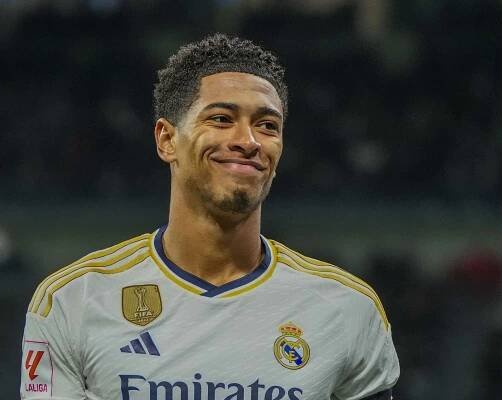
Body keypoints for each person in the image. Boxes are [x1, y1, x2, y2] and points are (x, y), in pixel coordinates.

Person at [20, 34, 399, 400]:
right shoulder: (73, 301)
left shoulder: (348, 309)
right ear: (167, 140)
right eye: (221, 119)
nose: (248, 141)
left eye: (267, 126)